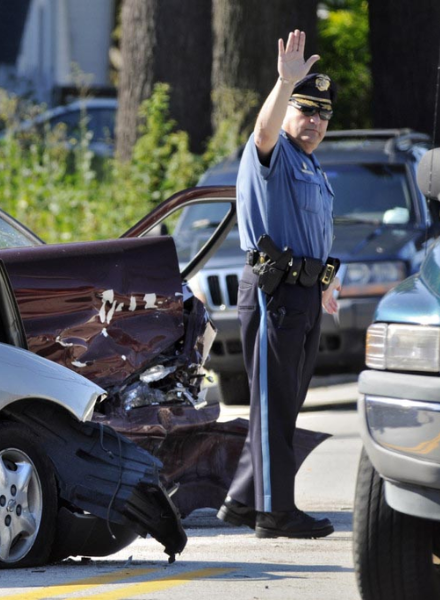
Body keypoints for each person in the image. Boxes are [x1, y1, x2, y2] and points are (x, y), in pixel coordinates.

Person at [216, 29, 340, 539]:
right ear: (289, 109)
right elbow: (264, 131)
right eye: (304, 109)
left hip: (304, 293)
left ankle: (243, 501)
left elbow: (314, 230)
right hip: (274, 293)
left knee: (284, 403)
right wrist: (283, 85)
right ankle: (275, 513)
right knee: (272, 404)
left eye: (321, 114)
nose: (312, 121)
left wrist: (327, 284)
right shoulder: (274, 154)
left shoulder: (311, 164)